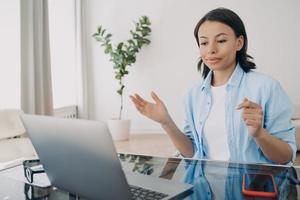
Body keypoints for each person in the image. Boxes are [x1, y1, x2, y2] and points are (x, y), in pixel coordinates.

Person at [130, 8, 296, 165]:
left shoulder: (266, 87)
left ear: (239, 43)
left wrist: (260, 134)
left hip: (250, 190)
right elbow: (191, 152)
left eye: (221, 40)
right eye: (204, 43)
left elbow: (286, 157)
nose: (211, 50)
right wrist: (166, 122)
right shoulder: (193, 94)